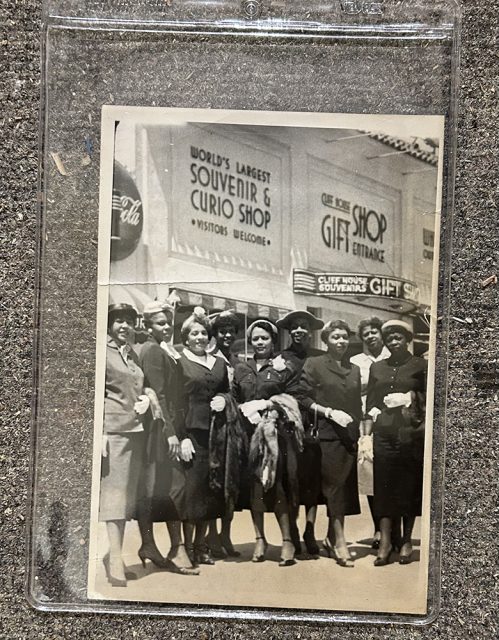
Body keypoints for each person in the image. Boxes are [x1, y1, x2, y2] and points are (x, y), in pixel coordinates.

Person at [232, 319, 304, 567]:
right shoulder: (242, 368)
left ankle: (287, 541)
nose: (260, 343)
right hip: (250, 435)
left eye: (265, 338)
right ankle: (259, 538)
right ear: (250, 342)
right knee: (256, 489)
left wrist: (268, 405)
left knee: (278, 486)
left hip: (277, 435)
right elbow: (234, 396)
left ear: (273, 341)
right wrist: (243, 408)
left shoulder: (283, 366)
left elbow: (294, 398)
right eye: (255, 339)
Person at [137, 301, 198, 575]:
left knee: (165, 486)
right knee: (173, 485)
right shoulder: (151, 350)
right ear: (148, 326)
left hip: (169, 424)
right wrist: (171, 434)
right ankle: (175, 548)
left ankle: (154, 545)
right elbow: (159, 393)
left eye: (167, 323)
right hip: (160, 428)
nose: (166, 328)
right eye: (160, 323)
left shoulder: (165, 349)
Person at [295, 320, 362, 567]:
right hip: (325, 435)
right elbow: (302, 397)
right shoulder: (314, 364)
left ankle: (331, 538)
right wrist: (328, 412)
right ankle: (340, 543)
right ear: (326, 340)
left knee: (343, 489)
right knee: (334, 488)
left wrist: (360, 434)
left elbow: (357, 406)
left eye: (344, 337)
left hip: (348, 437)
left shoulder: (354, 369)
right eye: (336, 337)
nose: (341, 342)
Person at [366, 319, 427, 566]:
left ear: (407, 339)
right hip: (384, 434)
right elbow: (370, 402)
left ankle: (407, 540)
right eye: (389, 338)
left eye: (398, 337)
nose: (393, 342)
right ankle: (387, 541)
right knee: (383, 485)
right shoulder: (377, 368)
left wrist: (410, 397)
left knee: (407, 485)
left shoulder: (420, 365)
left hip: (409, 434)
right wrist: (367, 432)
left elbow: (432, 398)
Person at [100, 303, 149, 587]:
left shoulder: (130, 353)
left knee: (126, 497)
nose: (124, 326)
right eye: (118, 321)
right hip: (114, 431)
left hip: (134, 431)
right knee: (115, 498)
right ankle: (115, 559)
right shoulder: (102, 351)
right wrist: (100, 432)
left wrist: (145, 398)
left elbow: (136, 385)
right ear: (109, 324)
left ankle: (113, 555)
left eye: (128, 322)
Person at [176, 307, 230, 565]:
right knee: (193, 492)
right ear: (186, 337)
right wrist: (182, 436)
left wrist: (223, 398)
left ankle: (202, 545)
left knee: (211, 491)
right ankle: (187, 548)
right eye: (194, 333)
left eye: (203, 333)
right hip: (193, 435)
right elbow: (175, 402)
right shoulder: (180, 361)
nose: (199, 337)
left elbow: (229, 392)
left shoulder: (219, 363)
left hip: (216, 435)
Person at [277, 310, 324, 556]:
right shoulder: (280, 358)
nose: (298, 330)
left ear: (310, 331)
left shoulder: (320, 357)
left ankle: (310, 529)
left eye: (303, 326)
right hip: (288, 423)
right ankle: (293, 530)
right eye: (294, 327)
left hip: (314, 420)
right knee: (291, 478)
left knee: (312, 480)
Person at [350, 317, 390, 549]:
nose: (371, 336)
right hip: (365, 421)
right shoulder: (356, 361)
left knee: (390, 475)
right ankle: (378, 527)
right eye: (366, 333)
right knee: (369, 472)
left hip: (389, 419)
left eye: (374, 331)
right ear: (361, 338)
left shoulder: (391, 355)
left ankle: (392, 529)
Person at [206, 310, 242, 558]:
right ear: (215, 334)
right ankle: (211, 535)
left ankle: (226, 533)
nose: (227, 335)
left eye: (231, 331)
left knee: (232, 480)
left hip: (234, 426)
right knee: (214, 477)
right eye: (222, 331)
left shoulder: (239, 361)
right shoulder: (208, 357)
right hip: (213, 426)